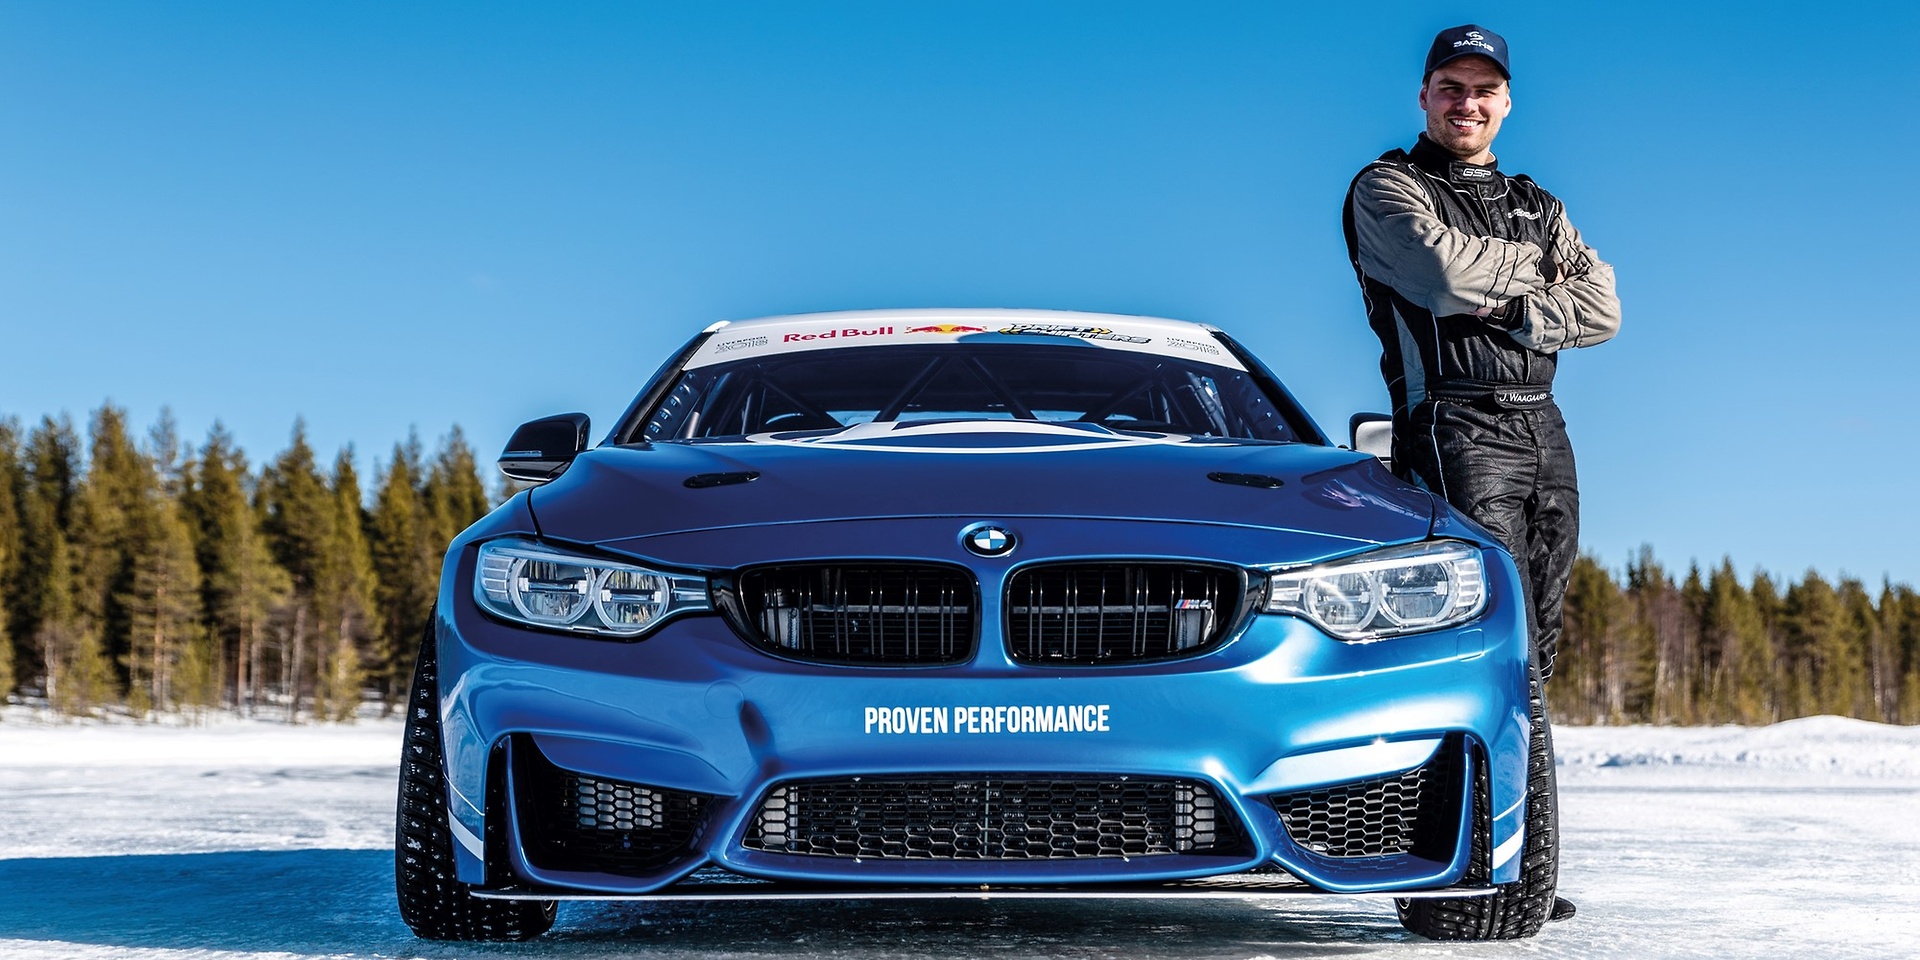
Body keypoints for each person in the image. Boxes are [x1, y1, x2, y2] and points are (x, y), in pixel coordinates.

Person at [1343, 24, 1617, 924]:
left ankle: (1515, 862)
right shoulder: (1389, 186)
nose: (1468, 103)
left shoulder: (1537, 200)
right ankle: (1450, 879)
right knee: (1477, 648)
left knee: (1536, 655)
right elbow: (1432, 269)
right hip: (1452, 422)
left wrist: (1515, 302)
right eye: (1450, 86)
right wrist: (1543, 280)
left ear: (1507, 102)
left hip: (1546, 429)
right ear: (1424, 97)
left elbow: (1604, 304)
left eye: (1483, 89)